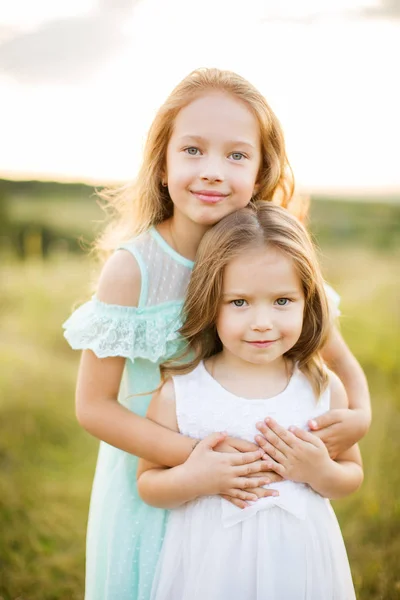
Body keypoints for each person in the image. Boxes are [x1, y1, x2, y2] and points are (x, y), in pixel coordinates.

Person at [63, 68, 370, 600]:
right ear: (162, 163)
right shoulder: (134, 269)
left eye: (236, 155)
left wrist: (359, 417)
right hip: (157, 478)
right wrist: (199, 460)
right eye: (192, 150)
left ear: (260, 169)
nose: (212, 171)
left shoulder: (270, 252)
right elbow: (93, 406)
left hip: (255, 495)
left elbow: (336, 357)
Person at [137, 202, 362, 599]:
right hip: (212, 568)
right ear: (211, 303)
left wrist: (318, 470)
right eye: (239, 302)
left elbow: (351, 475)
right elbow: (149, 483)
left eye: (282, 301)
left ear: (306, 300)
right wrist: (196, 478)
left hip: (300, 561)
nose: (262, 321)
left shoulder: (322, 389)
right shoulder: (182, 393)